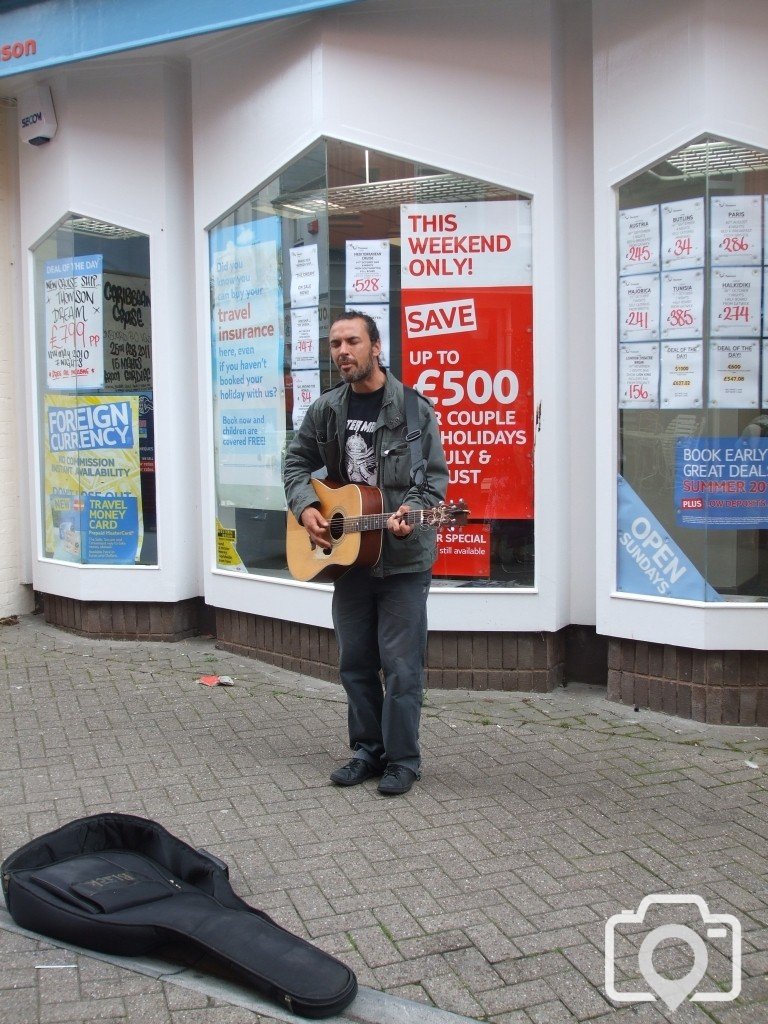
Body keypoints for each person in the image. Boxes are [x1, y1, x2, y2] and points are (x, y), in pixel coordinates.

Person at [284, 311, 448, 796]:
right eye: (335, 344)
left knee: (400, 667)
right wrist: (307, 506)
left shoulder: (415, 412)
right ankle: (367, 751)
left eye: (352, 341)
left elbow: (431, 486)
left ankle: (403, 760)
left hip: (402, 563)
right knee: (355, 662)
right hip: (348, 557)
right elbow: (295, 462)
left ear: (376, 346)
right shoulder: (326, 410)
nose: (342, 352)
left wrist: (409, 515)